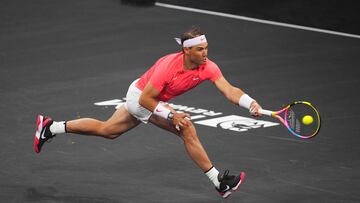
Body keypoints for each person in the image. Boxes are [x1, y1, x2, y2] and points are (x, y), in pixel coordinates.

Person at [34, 26, 263, 199]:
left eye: (206, 48)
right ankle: (218, 181)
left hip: (150, 98)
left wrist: (249, 102)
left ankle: (50, 127)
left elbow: (229, 90)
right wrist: (172, 116)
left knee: (108, 130)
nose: (205, 53)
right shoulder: (168, 66)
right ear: (186, 50)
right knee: (186, 128)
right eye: (200, 49)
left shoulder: (208, 67)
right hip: (140, 97)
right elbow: (145, 99)